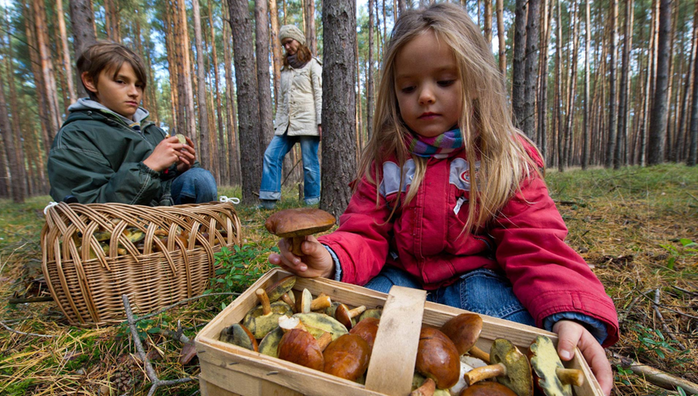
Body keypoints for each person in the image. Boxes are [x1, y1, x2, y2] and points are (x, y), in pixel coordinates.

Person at [268, 4, 618, 394]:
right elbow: (364, 232)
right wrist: (331, 257)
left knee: (526, 341)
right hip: (399, 281)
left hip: (478, 286)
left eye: (446, 81)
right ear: (393, 93)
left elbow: (537, 244)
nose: (426, 97)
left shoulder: (503, 158)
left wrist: (571, 314)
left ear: (476, 81)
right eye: (409, 87)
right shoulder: (387, 159)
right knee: (350, 326)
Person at [48, 41, 217, 206]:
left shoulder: (152, 131)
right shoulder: (76, 136)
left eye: (139, 85)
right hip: (118, 230)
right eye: (121, 81)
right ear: (90, 81)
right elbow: (87, 205)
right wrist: (148, 168)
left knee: (198, 178)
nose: (134, 92)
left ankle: (197, 234)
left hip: (165, 223)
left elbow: (165, 185)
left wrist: (179, 169)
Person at [259, 25, 322, 209]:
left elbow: (319, 94)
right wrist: (278, 124)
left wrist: (320, 122)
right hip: (286, 124)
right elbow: (282, 100)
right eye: (284, 44)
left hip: (307, 121)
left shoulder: (313, 64)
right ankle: (268, 201)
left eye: (289, 42)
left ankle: (312, 202)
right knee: (271, 155)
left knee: (310, 163)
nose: (286, 47)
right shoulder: (285, 70)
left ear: (299, 40)